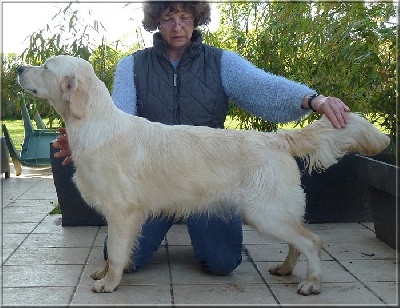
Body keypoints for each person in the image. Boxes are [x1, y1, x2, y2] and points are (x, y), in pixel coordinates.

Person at [53, 1, 350, 276]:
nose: (177, 26)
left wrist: (313, 100)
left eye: (185, 17)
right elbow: (117, 119)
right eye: (168, 18)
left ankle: (299, 252)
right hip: (152, 184)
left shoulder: (221, 62)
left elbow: (262, 88)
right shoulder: (132, 65)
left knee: (222, 262)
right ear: (156, 21)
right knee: (124, 258)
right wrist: (86, 145)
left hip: (211, 177)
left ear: (197, 19)